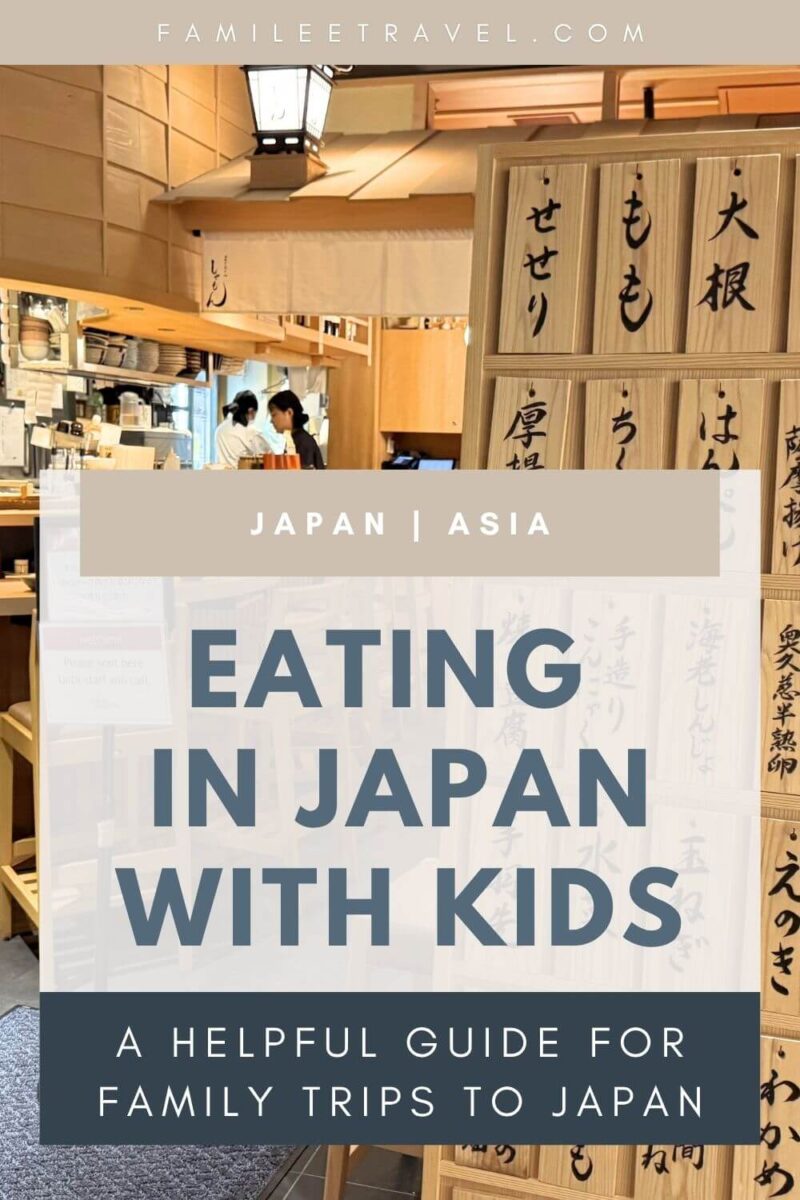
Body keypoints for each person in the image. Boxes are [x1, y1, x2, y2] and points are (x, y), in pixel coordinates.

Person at [268, 390, 326, 469]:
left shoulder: (303, 441)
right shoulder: (296, 439)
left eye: (274, 415)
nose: (271, 421)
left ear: (289, 412)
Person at [214, 390, 269, 467]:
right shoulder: (251, 432)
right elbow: (269, 456)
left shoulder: (219, 429)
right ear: (251, 411)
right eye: (255, 414)